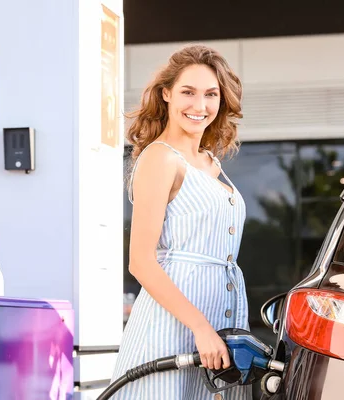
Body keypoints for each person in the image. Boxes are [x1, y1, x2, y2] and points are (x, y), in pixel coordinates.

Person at [111, 44, 250, 399]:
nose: (199, 106)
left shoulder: (210, 163)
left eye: (210, 94)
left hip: (219, 321)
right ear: (166, 93)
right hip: (173, 328)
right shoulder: (160, 158)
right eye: (188, 92)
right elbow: (141, 262)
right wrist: (201, 328)